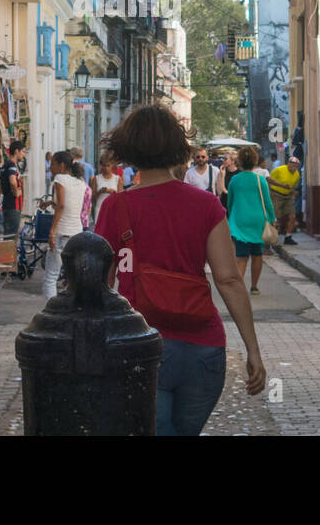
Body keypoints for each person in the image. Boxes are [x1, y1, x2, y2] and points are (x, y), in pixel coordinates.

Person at [95, 105, 267, 436]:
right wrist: (252, 351)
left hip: (138, 348)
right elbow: (229, 279)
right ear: (178, 148)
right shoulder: (206, 206)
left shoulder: (116, 207)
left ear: (128, 150)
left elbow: (103, 284)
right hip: (203, 349)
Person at [225, 145, 276, 295]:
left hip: (240, 220)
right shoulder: (260, 180)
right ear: (255, 161)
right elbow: (267, 202)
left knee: (241, 257)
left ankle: (238, 288)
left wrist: (230, 214)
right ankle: (254, 287)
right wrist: (272, 219)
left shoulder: (235, 180)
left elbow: (230, 201)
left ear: (239, 161)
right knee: (257, 254)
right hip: (258, 221)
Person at [44, 151, 88, 299]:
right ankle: (75, 311)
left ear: (61, 165)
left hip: (61, 233)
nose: (50, 168)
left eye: (53, 164)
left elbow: (62, 206)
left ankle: (49, 315)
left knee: (50, 277)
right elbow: (69, 204)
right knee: (73, 278)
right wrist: (51, 203)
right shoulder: (81, 183)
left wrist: (51, 232)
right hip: (76, 233)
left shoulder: (60, 178)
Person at [267, 156, 301, 245]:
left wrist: (293, 194)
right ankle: (271, 238)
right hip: (276, 195)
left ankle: (288, 237)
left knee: (292, 216)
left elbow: (294, 186)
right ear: (288, 164)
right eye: (293, 165)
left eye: (296, 166)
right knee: (275, 217)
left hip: (288, 196)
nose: (294, 168)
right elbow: (269, 180)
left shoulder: (297, 174)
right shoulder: (279, 170)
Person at [89, 153, 121, 230]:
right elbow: (92, 198)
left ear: (112, 166)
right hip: (100, 208)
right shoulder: (96, 178)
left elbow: (121, 197)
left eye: (108, 165)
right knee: (100, 231)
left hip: (113, 209)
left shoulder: (117, 179)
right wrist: (100, 191)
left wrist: (114, 193)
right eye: (104, 165)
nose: (106, 168)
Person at [0, 140, 24, 235]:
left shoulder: (5, 165)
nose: (23, 155)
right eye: (23, 151)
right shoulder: (12, 165)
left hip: (7, 204)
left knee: (8, 235)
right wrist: (15, 191)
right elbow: (12, 180)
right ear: (16, 151)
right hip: (14, 205)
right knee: (11, 236)